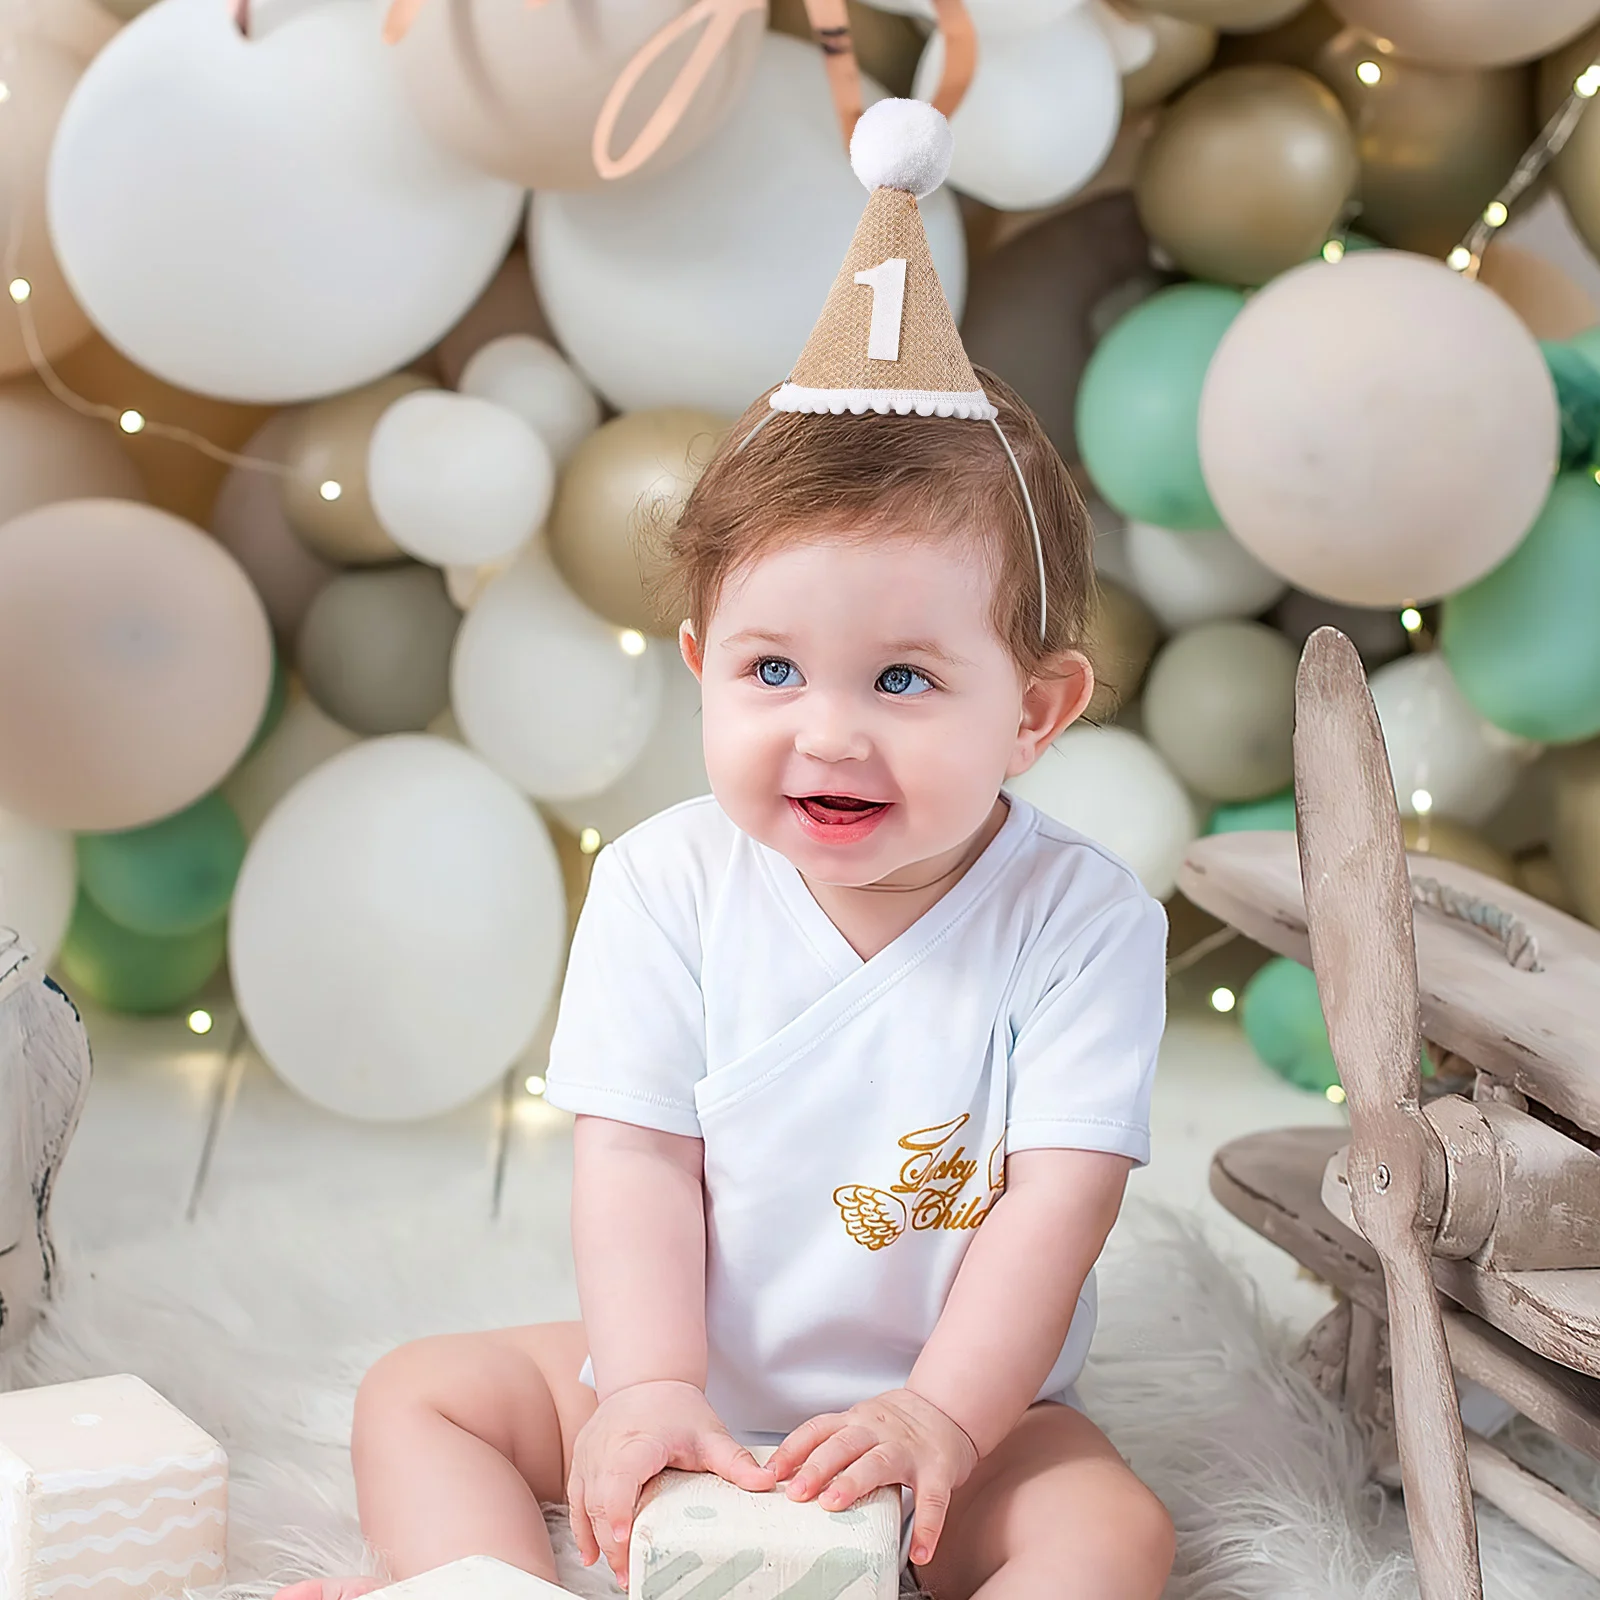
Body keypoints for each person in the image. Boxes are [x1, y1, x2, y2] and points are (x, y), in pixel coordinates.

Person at [276, 98, 1174, 1600]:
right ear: (699, 663)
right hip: (691, 1381)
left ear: (1035, 710)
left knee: (1113, 1536)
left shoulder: (1081, 921)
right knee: (418, 1397)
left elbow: (1057, 1203)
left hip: (949, 1417)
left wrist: (941, 1418)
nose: (828, 733)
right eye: (771, 671)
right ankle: (478, 1585)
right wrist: (642, 1391)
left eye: (903, 679)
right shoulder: (664, 884)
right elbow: (636, 1158)